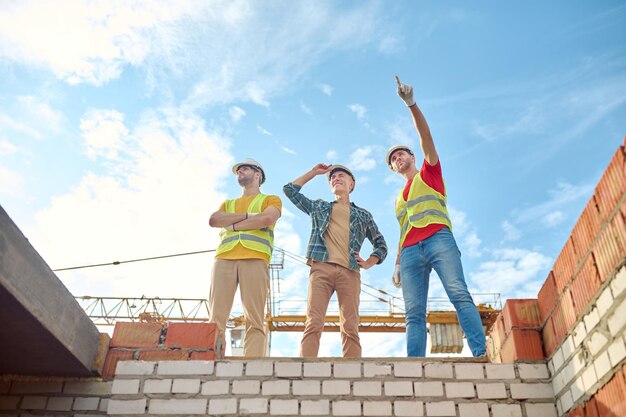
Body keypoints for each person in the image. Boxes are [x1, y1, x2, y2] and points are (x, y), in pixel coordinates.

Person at [387, 76, 486, 357]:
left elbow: (426, 138)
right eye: (393, 159)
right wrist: (396, 262)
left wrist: (411, 104)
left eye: (401, 154)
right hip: (408, 253)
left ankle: (480, 353)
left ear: (412, 157)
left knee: (458, 293)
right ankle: (414, 366)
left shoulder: (430, 174)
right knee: (413, 313)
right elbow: (403, 230)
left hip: (438, 240)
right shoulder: (398, 198)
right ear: (393, 168)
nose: (397, 159)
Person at [284, 164, 387, 357]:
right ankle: (304, 367)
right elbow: (289, 190)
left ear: (352, 184)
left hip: (350, 271)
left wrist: (368, 262)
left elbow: (381, 245)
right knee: (313, 321)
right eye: (332, 177)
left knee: (350, 325)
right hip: (321, 269)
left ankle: (353, 371)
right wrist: (313, 173)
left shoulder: (363, 215)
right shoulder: (319, 207)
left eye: (341, 176)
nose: (335, 178)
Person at [208, 158, 282, 357]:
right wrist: (251, 217)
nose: (240, 172)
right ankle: (211, 360)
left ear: (258, 174)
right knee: (216, 318)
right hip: (224, 258)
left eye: (245, 169)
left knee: (255, 318)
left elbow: (267, 218)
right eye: (238, 170)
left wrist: (231, 225)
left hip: (255, 258)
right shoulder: (228, 203)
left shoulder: (271, 200)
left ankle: (252, 365)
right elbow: (214, 220)